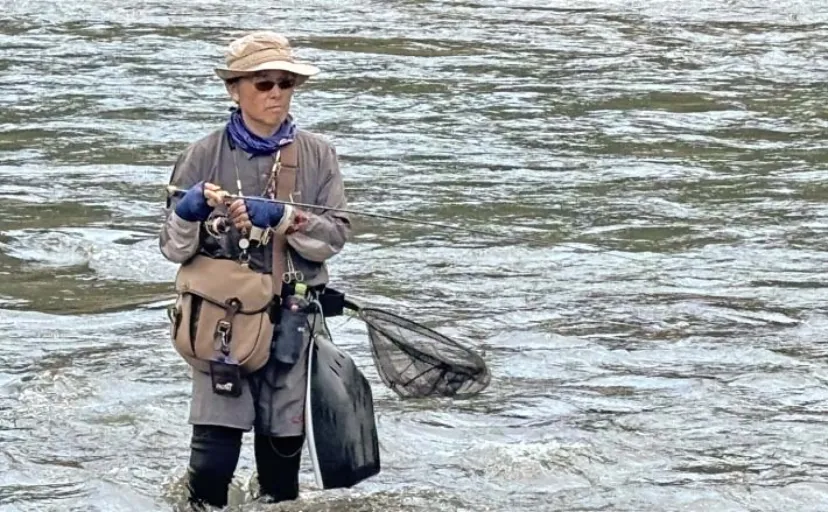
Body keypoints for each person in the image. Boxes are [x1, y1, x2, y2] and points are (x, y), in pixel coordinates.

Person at [158, 31, 351, 509]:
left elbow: (334, 237)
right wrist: (187, 213)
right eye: (263, 83)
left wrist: (284, 218)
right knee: (212, 462)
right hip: (221, 321)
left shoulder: (319, 154)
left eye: (286, 83)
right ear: (234, 89)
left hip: (293, 320)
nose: (276, 93)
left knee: (281, 467)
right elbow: (172, 249)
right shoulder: (201, 155)